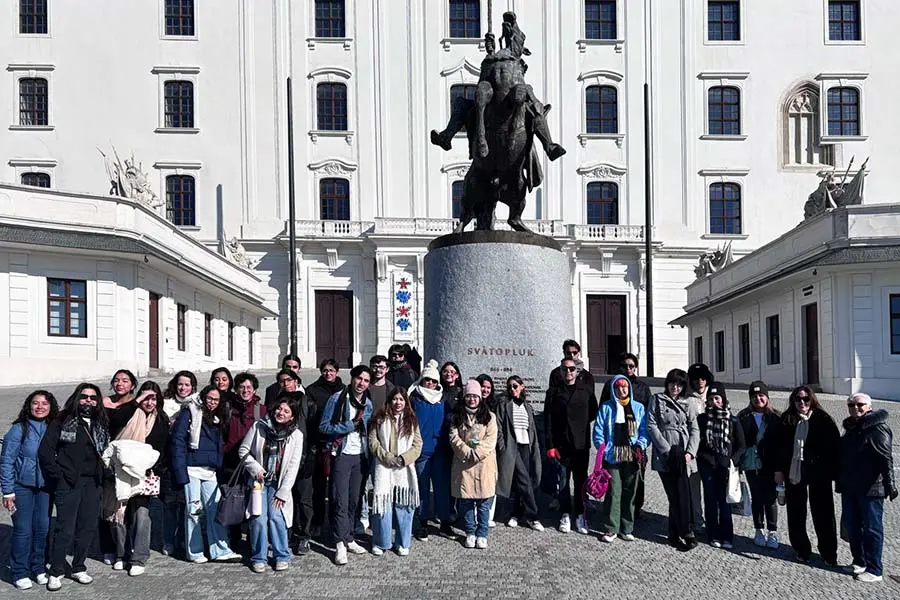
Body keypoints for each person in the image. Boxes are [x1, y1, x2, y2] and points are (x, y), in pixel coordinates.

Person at [38, 383, 110, 591]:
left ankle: (78, 566)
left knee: (87, 528)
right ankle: (56, 570)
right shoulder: (63, 420)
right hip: (69, 482)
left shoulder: (100, 423)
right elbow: (46, 452)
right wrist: (59, 477)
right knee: (65, 529)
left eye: (93, 398)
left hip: (92, 482)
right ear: (77, 398)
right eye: (85, 397)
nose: (89, 401)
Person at [103, 381, 171, 576]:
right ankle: (121, 554)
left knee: (142, 516)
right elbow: (115, 421)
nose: (149, 402)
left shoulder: (161, 420)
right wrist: (136, 402)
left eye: (153, 398)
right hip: (120, 474)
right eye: (145, 398)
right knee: (119, 515)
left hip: (144, 474)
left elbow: (162, 449)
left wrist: (152, 468)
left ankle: (139, 557)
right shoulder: (130, 413)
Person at [170, 385, 242, 564]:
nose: (212, 402)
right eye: (209, 398)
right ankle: (194, 552)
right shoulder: (190, 412)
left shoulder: (217, 418)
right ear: (203, 397)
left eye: (216, 400)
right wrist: (180, 472)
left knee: (215, 509)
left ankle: (220, 550)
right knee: (194, 511)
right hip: (191, 468)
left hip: (210, 470)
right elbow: (178, 441)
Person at [774, 386, 840, 566]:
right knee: (796, 512)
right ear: (792, 401)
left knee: (824, 514)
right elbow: (779, 448)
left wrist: (833, 472)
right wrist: (779, 470)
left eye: (805, 399)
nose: (802, 403)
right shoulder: (787, 419)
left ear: (812, 400)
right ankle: (801, 549)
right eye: (798, 399)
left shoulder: (823, 419)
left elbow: (834, 448)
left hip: (819, 474)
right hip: (794, 473)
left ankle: (828, 552)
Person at [239, 395, 304, 573]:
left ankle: (281, 555)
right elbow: (243, 450)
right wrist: (255, 468)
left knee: (276, 517)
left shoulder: (296, 435)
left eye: (286, 411)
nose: (280, 413)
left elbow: (293, 466)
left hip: (278, 484)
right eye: (279, 409)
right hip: (259, 483)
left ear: (292, 416)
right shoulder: (259, 426)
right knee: (259, 519)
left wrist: (283, 492)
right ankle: (258, 557)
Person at [1, 390, 59, 590]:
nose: (40, 407)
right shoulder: (19, 429)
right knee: (23, 530)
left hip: (45, 488)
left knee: (43, 528)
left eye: (45, 403)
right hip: (21, 487)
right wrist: (8, 491)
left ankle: (39, 567)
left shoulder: (54, 428)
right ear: (29, 405)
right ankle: (20, 571)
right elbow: (6, 461)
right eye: (35, 403)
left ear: (51, 407)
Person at [838, 393, 897, 583]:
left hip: (871, 488)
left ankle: (875, 569)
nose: (855, 408)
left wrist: (891, 484)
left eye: (860, 404)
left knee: (872, 528)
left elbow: (886, 458)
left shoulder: (877, 428)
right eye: (851, 405)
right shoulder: (852, 427)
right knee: (852, 524)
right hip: (851, 486)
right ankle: (860, 561)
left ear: (869, 407)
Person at [319, 365, 373, 566]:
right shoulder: (338, 399)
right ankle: (339, 542)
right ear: (352, 378)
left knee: (354, 500)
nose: (361, 383)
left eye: (366, 381)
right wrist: (348, 426)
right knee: (339, 499)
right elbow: (323, 427)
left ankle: (349, 536)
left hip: (360, 456)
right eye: (359, 378)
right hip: (341, 455)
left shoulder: (367, 403)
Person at [543, 356, 598, 534]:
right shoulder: (553, 392)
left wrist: (578, 426)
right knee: (564, 481)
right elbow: (548, 420)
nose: (569, 372)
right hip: (561, 444)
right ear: (560, 371)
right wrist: (550, 444)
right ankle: (565, 513)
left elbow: (593, 412)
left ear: (577, 371)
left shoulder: (586, 390)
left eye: (572, 369)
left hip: (581, 444)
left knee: (581, 480)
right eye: (565, 369)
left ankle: (581, 514)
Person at [592, 375, 650, 543]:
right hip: (612, 456)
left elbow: (644, 430)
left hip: (632, 455)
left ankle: (627, 527)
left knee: (630, 492)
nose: (622, 390)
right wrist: (603, 447)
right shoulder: (606, 408)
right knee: (613, 491)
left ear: (629, 389)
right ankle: (611, 528)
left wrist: (640, 445)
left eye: (625, 387)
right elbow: (598, 431)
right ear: (613, 389)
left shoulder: (638, 408)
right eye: (618, 387)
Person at [646, 369, 699, 551]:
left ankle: (674, 533)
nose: (675, 387)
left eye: (679, 384)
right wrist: (666, 450)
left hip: (683, 454)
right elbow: (651, 424)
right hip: (666, 454)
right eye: (672, 383)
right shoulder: (657, 399)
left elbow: (694, 428)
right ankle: (686, 532)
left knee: (682, 493)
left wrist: (690, 452)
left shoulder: (688, 403)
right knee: (673, 494)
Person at [368, 387, 423, 556]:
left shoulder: (411, 421)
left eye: (401, 399)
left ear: (406, 402)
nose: (397, 403)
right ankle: (381, 541)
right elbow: (373, 441)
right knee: (382, 506)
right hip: (384, 466)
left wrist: (403, 459)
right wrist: (386, 457)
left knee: (404, 505)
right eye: (394, 399)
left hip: (403, 468)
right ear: (389, 401)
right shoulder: (379, 418)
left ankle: (402, 542)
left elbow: (417, 444)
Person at [599, 353, 652, 518]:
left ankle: (635, 509)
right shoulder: (610, 384)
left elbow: (648, 413)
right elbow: (603, 408)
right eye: (625, 366)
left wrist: (641, 442)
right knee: (614, 482)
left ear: (635, 367)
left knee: (636, 479)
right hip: (615, 440)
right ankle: (614, 514)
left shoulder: (643, 387)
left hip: (635, 440)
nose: (628, 368)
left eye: (631, 366)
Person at [449, 380, 498, 549]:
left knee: (484, 503)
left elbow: (490, 440)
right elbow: (454, 437)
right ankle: (470, 531)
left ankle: (482, 533)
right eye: (469, 396)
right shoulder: (457, 416)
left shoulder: (489, 417)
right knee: (466, 501)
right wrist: (466, 452)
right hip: (464, 464)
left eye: (475, 396)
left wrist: (476, 454)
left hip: (484, 464)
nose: (472, 399)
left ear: (480, 398)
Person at [696, 384, 745, 549]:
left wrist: (733, 461)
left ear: (723, 400)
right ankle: (713, 534)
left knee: (725, 501)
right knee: (710, 500)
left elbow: (741, 446)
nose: (714, 402)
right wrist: (702, 459)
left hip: (726, 467)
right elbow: (698, 442)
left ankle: (727, 535)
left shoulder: (733, 420)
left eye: (717, 398)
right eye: (711, 399)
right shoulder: (702, 419)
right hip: (707, 465)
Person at [222, 372, 267, 550]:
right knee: (233, 500)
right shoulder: (228, 409)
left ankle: (252, 540)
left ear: (254, 389)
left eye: (249, 387)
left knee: (252, 501)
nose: (245, 390)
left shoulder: (261, 410)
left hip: (252, 464)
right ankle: (233, 538)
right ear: (236, 389)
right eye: (241, 387)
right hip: (231, 462)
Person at [410, 360, 453, 540]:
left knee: (442, 488)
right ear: (422, 380)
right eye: (428, 380)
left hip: (440, 450)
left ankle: (445, 521)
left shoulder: (443, 400)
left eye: (434, 381)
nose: (431, 384)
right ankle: (422, 521)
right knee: (422, 488)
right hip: (421, 451)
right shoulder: (414, 398)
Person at [737, 380, 781, 549]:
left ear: (767, 397)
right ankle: (758, 529)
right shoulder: (743, 416)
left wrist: (779, 468)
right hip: (751, 464)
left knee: (770, 498)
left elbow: (781, 444)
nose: (758, 399)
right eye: (754, 396)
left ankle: (773, 531)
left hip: (770, 464)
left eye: (761, 395)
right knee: (757, 497)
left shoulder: (776, 417)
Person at [304, 359, 345, 538]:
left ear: (337, 371)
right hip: (319, 443)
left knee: (337, 487)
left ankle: (336, 521)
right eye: (325, 370)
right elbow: (310, 418)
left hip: (338, 442)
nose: (328, 373)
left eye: (331, 370)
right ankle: (318, 521)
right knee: (319, 486)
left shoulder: (344, 390)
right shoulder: (312, 390)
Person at [495, 376, 543, 531]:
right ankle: (533, 516)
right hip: (511, 448)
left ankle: (516, 513)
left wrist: (534, 447)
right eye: (509, 387)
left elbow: (532, 430)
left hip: (525, 447)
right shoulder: (504, 405)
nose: (512, 389)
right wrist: (502, 447)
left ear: (522, 387)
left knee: (521, 483)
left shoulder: (527, 407)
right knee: (524, 481)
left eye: (515, 386)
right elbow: (499, 426)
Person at [101, 369, 138, 564]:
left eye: (125, 380)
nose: (120, 384)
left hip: (131, 462)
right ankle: (108, 548)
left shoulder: (137, 405)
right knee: (107, 508)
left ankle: (126, 549)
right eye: (116, 380)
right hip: (108, 460)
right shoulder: (105, 403)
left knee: (128, 510)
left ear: (132, 385)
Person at [159, 370, 197, 557]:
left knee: (186, 504)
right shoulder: (165, 404)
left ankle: (183, 539)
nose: (183, 388)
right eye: (180, 384)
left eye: (187, 385)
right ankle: (168, 540)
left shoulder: (196, 404)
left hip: (188, 460)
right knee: (169, 505)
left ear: (193, 387)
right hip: (168, 460)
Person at [686, 362, 713, 531]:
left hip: (712, 450)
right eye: (696, 379)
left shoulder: (715, 393)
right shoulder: (687, 398)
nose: (700, 381)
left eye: (702, 378)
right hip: (694, 448)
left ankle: (713, 521)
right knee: (693, 487)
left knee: (711, 489)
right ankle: (697, 520)